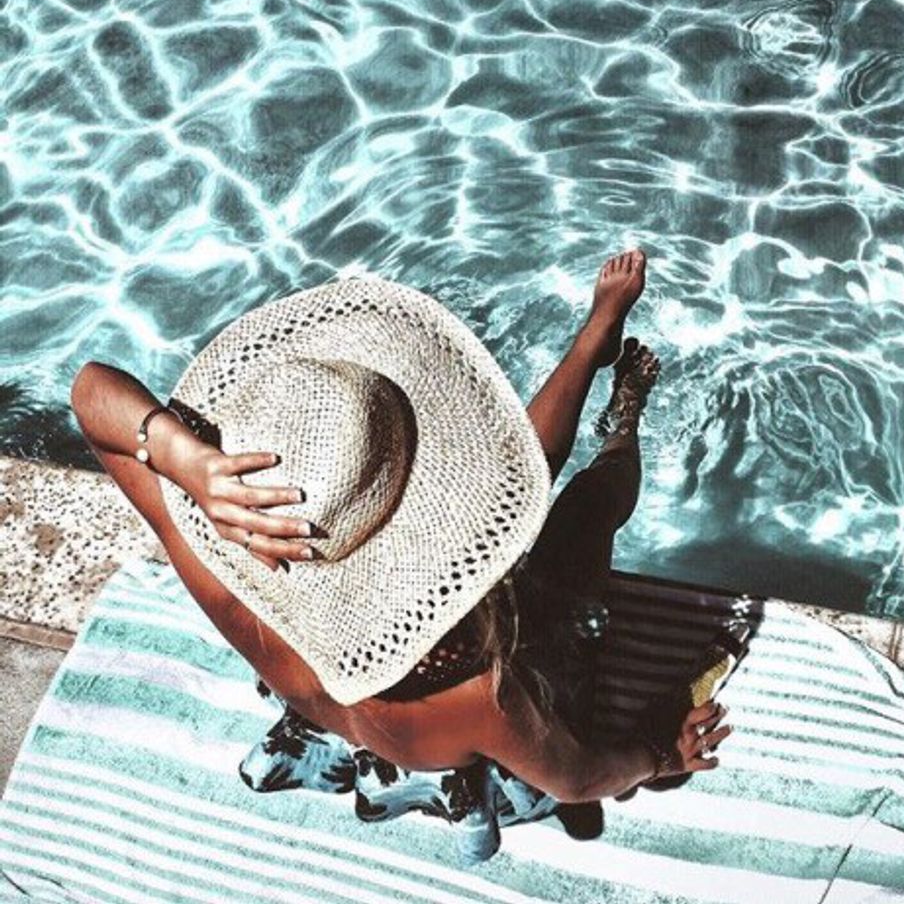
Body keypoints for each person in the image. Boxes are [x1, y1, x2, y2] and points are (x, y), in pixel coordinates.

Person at [70, 249, 732, 860]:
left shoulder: (219, 570)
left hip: (348, 704)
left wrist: (185, 461)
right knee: (588, 501)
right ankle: (621, 420)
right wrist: (659, 755)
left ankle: (592, 345)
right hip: (468, 715)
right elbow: (579, 777)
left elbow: (91, 395)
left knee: (518, 477)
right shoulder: (477, 692)